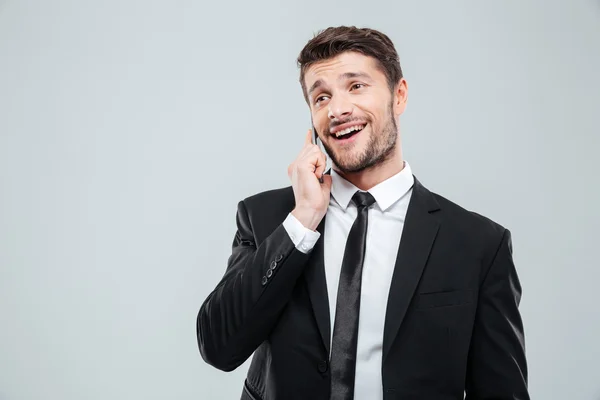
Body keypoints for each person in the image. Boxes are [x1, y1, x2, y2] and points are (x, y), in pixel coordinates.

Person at [196, 26, 529, 400]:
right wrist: (303, 217)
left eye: (356, 86)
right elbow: (218, 348)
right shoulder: (267, 217)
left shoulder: (477, 243)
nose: (337, 110)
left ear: (399, 95)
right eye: (321, 97)